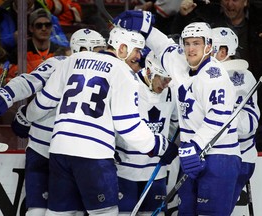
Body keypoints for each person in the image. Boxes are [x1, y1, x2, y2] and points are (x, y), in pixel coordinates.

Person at [10, 26, 175, 216]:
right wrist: (160, 145)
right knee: (105, 213)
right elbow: (127, 125)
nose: (139, 56)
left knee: (60, 213)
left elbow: (43, 102)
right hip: (93, 155)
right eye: (137, 50)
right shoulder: (123, 73)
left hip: (60, 150)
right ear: (122, 48)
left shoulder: (72, 61)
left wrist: (25, 117)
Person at [113, 12, 241, 215]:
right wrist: (146, 28)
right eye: (187, 43)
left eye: (196, 43)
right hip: (192, 154)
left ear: (208, 46)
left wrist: (195, 145)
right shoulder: (181, 63)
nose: (191, 49)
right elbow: (162, 46)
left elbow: (219, 116)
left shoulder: (214, 76)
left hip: (219, 157)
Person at [0, 28, 107, 216]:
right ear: (84, 48)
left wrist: (24, 115)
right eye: (99, 50)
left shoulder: (108, 72)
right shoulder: (59, 63)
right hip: (45, 150)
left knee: (71, 211)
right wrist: (5, 95)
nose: (102, 54)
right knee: (39, 210)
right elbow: (29, 81)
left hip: (73, 153)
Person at [171, 0, 262, 124]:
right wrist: (182, 17)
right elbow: (182, 43)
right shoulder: (207, 19)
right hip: (211, 91)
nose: (229, 4)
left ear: (245, 2)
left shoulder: (260, 23)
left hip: (254, 95)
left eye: (234, 0)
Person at [116, 50, 179, 215]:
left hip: (156, 172)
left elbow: (175, 126)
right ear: (149, 71)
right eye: (163, 78)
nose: (166, 83)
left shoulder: (172, 91)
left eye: (169, 79)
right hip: (124, 171)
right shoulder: (129, 85)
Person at [211, 26, 260, 212]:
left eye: (211, 46)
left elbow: (247, 126)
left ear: (223, 51)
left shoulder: (244, 77)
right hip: (226, 157)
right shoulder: (209, 74)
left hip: (237, 158)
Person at [8, 8, 67, 76]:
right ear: (31, 28)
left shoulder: (59, 50)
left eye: (47, 25)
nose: (44, 29)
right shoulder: (20, 51)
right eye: (39, 25)